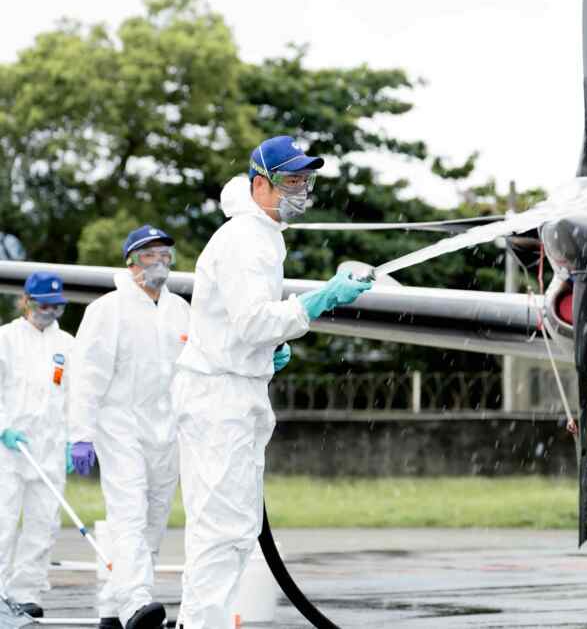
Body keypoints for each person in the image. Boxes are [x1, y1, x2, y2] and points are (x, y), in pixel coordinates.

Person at [171, 135, 373, 629]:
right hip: (219, 395)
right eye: (291, 180)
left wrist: (266, 352)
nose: (301, 189)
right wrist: (320, 299)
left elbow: (242, 324)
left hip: (235, 387)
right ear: (260, 183)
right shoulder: (244, 239)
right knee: (221, 534)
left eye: (306, 179)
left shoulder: (263, 234)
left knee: (235, 532)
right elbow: (253, 321)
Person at [68, 225, 191, 629]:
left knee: (154, 521)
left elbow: (193, 370)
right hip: (119, 426)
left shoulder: (180, 310)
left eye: (164, 254)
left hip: (165, 431)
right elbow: (86, 376)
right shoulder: (107, 310)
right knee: (129, 516)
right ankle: (136, 603)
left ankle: (113, 607)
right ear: (130, 261)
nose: (158, 262)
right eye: (148, 254)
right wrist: (81, 434)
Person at [0, 272, 75, 619]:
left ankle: (25, 592)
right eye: (44, 305)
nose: (50, 312)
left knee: (42, 526)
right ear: (27, 301)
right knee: (3, 523)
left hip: (49, 452)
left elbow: (75, 398)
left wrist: (75, 442)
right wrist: (3, 429)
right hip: (8, 452)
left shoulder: (69, 345)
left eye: (56, 306)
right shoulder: (6, 339)